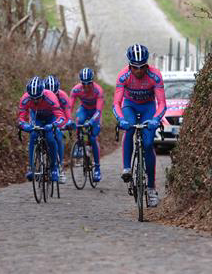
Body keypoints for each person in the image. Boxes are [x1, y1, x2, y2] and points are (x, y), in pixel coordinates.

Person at [113, 44, 167, 207]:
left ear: (146, 64)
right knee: (129, 128)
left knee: (149, 143)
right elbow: (116, 102)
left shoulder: (155, 76)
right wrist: (121, 119)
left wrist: (156, 119)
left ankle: (151, 189)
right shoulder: (123, 76)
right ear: (130, 65)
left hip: (148, 108)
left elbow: (162, 103)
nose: (138, 71)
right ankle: (127, 168)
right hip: (130, 105)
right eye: (135, 67)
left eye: (142, 67)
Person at [18, 76, 65, 182]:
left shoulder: (51, 97)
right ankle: (31, 167)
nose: (35, 101)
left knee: (50, 137)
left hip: (50, 118)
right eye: (32, 98)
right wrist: (25, 126)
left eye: (38, 98)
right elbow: (20, 119)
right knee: (33, 135)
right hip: (37, 117)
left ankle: (54, 168)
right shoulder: (25, 98)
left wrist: (53, 125)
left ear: (42, 94)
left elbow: (61, 117)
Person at [68, 67, 105, 182]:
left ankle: (97, 169)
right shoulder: (76, 90)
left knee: (93, 138)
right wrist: (69, 120)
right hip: (84, 110)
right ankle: (79, 144)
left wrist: (92, 121)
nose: (86, 86)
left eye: (89, 83)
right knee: (79, 121)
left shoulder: (98, 91)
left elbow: (98, 112)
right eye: (84, 84)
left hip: (95, 113)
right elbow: (69, 107)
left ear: (92, 82)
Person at [43, 75, 73, 184]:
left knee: (59, 137)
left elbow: (67, 114)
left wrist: (68, 123)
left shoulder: (63, 96)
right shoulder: (41, 95)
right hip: (44, 117)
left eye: (54, 94)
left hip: (58, 118)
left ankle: (60, 168)